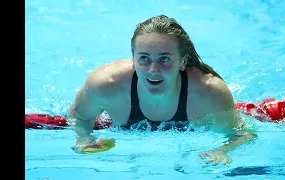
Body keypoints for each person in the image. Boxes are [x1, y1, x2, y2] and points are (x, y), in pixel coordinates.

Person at [66, 15, 257, 166]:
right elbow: (78, 116)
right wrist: (85, 137)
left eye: (164, 59)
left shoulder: (208, 93)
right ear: (133, 59)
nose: (153, 70)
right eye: (144, 58)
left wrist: (222, 150)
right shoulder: (106, 85)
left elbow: (243, 134)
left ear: (182, 61)